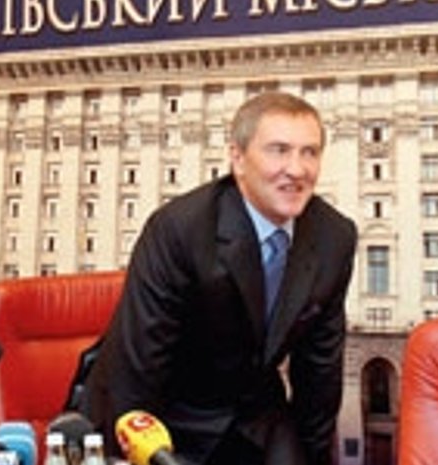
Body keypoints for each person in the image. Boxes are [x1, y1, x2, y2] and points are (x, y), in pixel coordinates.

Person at [82, 92, 358, 465]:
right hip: (168, 414)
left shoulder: (334, 237)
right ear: (238, 158)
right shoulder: (179, 229)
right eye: (279, 150)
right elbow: (137, 370)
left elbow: (319, 373)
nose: (297, 169)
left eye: (309, 152)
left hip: (256, 417)